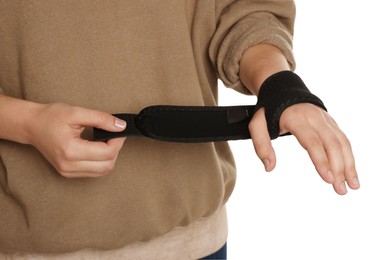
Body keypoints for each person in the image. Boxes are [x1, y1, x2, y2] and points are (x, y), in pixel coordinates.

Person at [0, 0, 359, 259]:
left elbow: (242, 9)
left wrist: (280, 85)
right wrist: (26, 123)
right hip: (28, 244)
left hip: (193, 242)